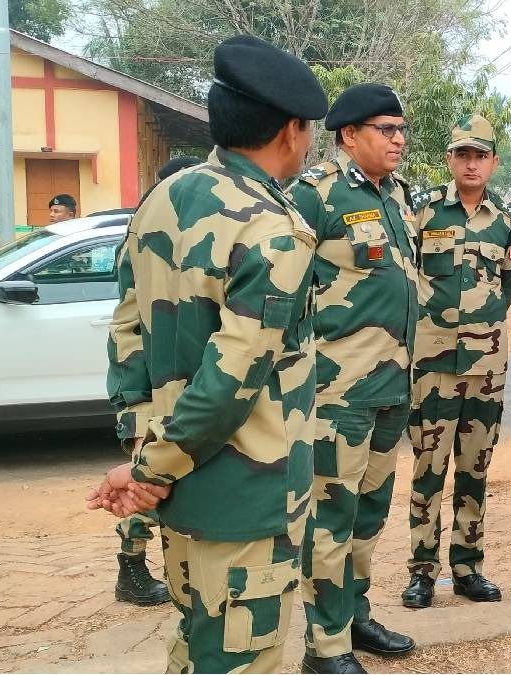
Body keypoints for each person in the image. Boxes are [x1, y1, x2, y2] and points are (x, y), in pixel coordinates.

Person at [92, 35, 327, 673]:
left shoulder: (163, 199)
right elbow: (231, 382)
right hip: (244, 495)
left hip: (181, 488)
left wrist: (142, 451)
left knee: (197, 640)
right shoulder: (272, 228)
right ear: (291, 130)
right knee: (238, 657)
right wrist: (151, 469)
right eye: (308, 131)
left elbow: (127, 331)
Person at [289, 83, 417, 673]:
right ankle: (324, 645)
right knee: (330, 517)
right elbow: (286, 290)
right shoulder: (315, 195)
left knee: (369, 514)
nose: (399, 139)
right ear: (349, 135)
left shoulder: (397, 197)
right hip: (338, 392)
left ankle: (354, 614)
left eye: (401, 129)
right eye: (386, 129)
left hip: (392, 385)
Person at [401, 115, 511, 609]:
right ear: (450, 159)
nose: (472, 164)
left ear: (494, 162)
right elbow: (405, 277)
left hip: (486, 366)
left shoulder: (507, 223)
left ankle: (468, 568)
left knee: (475, 469)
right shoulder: (422, 212)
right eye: (463, 155)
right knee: (428, 469)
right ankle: (421, 572)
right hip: (433, 364)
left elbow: (506, 289)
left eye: (481, 156)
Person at [108, 155, 203, 608]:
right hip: (147, 381)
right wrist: (136, 399)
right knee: (147, 475)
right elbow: (131, 323)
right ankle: (131, 567)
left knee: (165, 473)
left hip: (167, 376)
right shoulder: (147, 233)